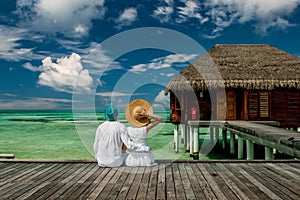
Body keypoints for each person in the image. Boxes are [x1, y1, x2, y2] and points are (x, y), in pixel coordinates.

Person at [124, 99, 162, 166]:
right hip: (145, 158)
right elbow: (159, 119)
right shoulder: (145, 129)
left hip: (133, 159)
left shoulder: (127, 129)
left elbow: (125, 145)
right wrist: (147, 114)